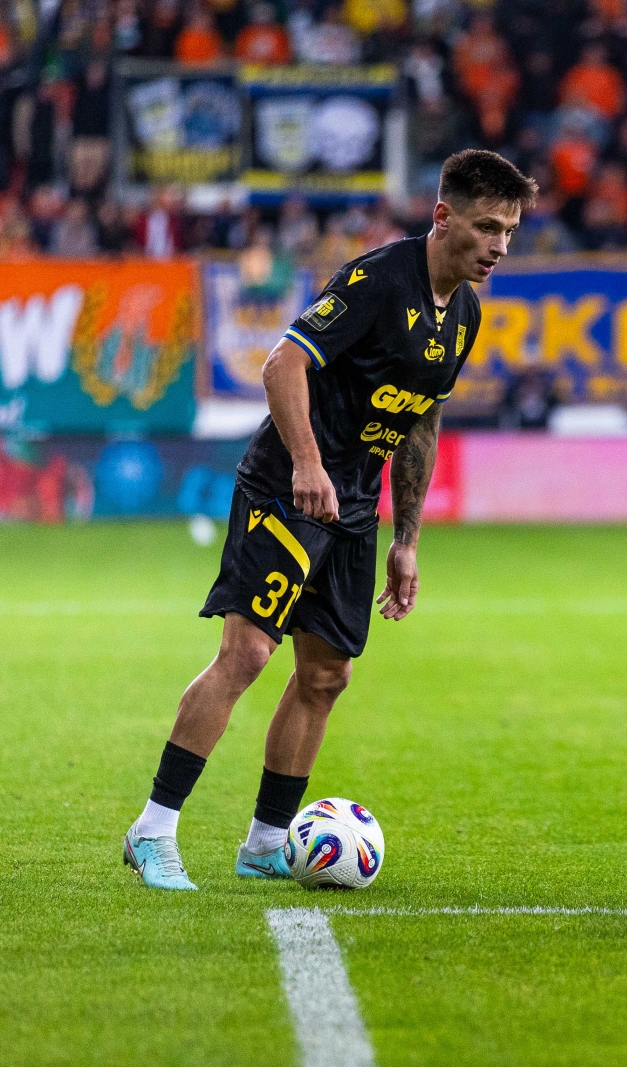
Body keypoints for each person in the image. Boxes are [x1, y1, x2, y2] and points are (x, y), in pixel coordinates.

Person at [121, 150, 539, 890]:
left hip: (354, 507)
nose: (499, 245)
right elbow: (282, 365)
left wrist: (406, 540)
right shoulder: (379, 280)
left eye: (509, 230)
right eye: (487, 227)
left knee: (325, 675)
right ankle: (153, 829)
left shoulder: (465, 314)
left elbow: (420, 421)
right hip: (288, 486)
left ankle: (265, 843)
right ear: (444, 216)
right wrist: (308, 463)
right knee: (247, 654)